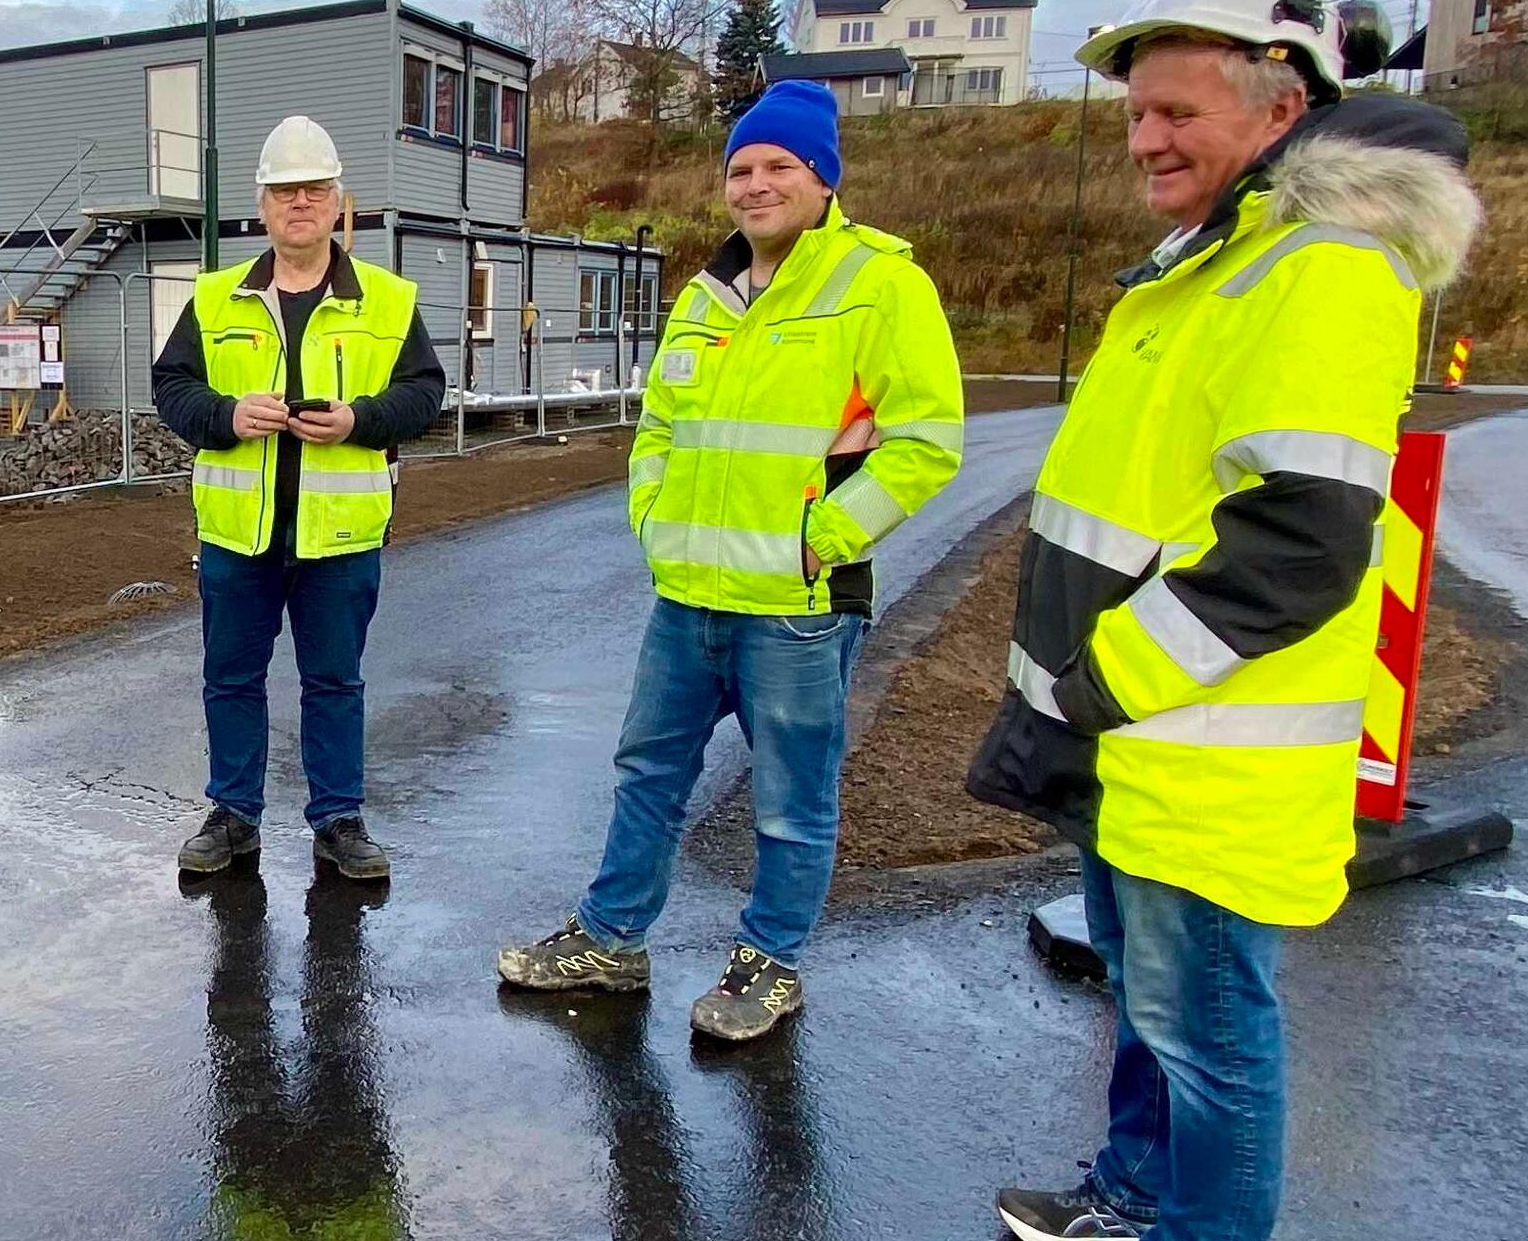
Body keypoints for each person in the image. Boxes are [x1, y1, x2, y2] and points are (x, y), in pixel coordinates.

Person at [971, 0, 1479, 1241]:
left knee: (1212, 1032)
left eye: (1177, 111)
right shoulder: (1227, 254)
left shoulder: (1321, 269)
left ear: (1284, 104)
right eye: (1137, 115)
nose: (1146, 141)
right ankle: (1132, 1203)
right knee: (1145, 1000)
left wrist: (1104, 675)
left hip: (1206, 743)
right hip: (1143, 741)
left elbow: (1299, 544)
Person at [497, 81, 964, 1044]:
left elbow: (928, 442)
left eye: (777, 167)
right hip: (687, 597)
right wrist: (653, 517)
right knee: (647, 775)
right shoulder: (707, 296)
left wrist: (821, 541)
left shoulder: (881, 287)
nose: (755, 186)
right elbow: (660, 425)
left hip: (798, 605)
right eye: (740, 169)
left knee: (793, 800)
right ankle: (610, 940)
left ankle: (769, 962)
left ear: (823, 177)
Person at [150, 115, 447, 882]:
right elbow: (171, 386)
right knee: (231, 679)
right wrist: (224, 416)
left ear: (337, 200)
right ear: (263, 205)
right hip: (236, 536)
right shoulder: (217, 299)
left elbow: (425, 393)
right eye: (286, 190)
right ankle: (233, 815)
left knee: (335, 682)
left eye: (314, 188)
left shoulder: (386, 299)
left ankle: (339, 820)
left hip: (339, 537)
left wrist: (360, 420)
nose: (300, 203)